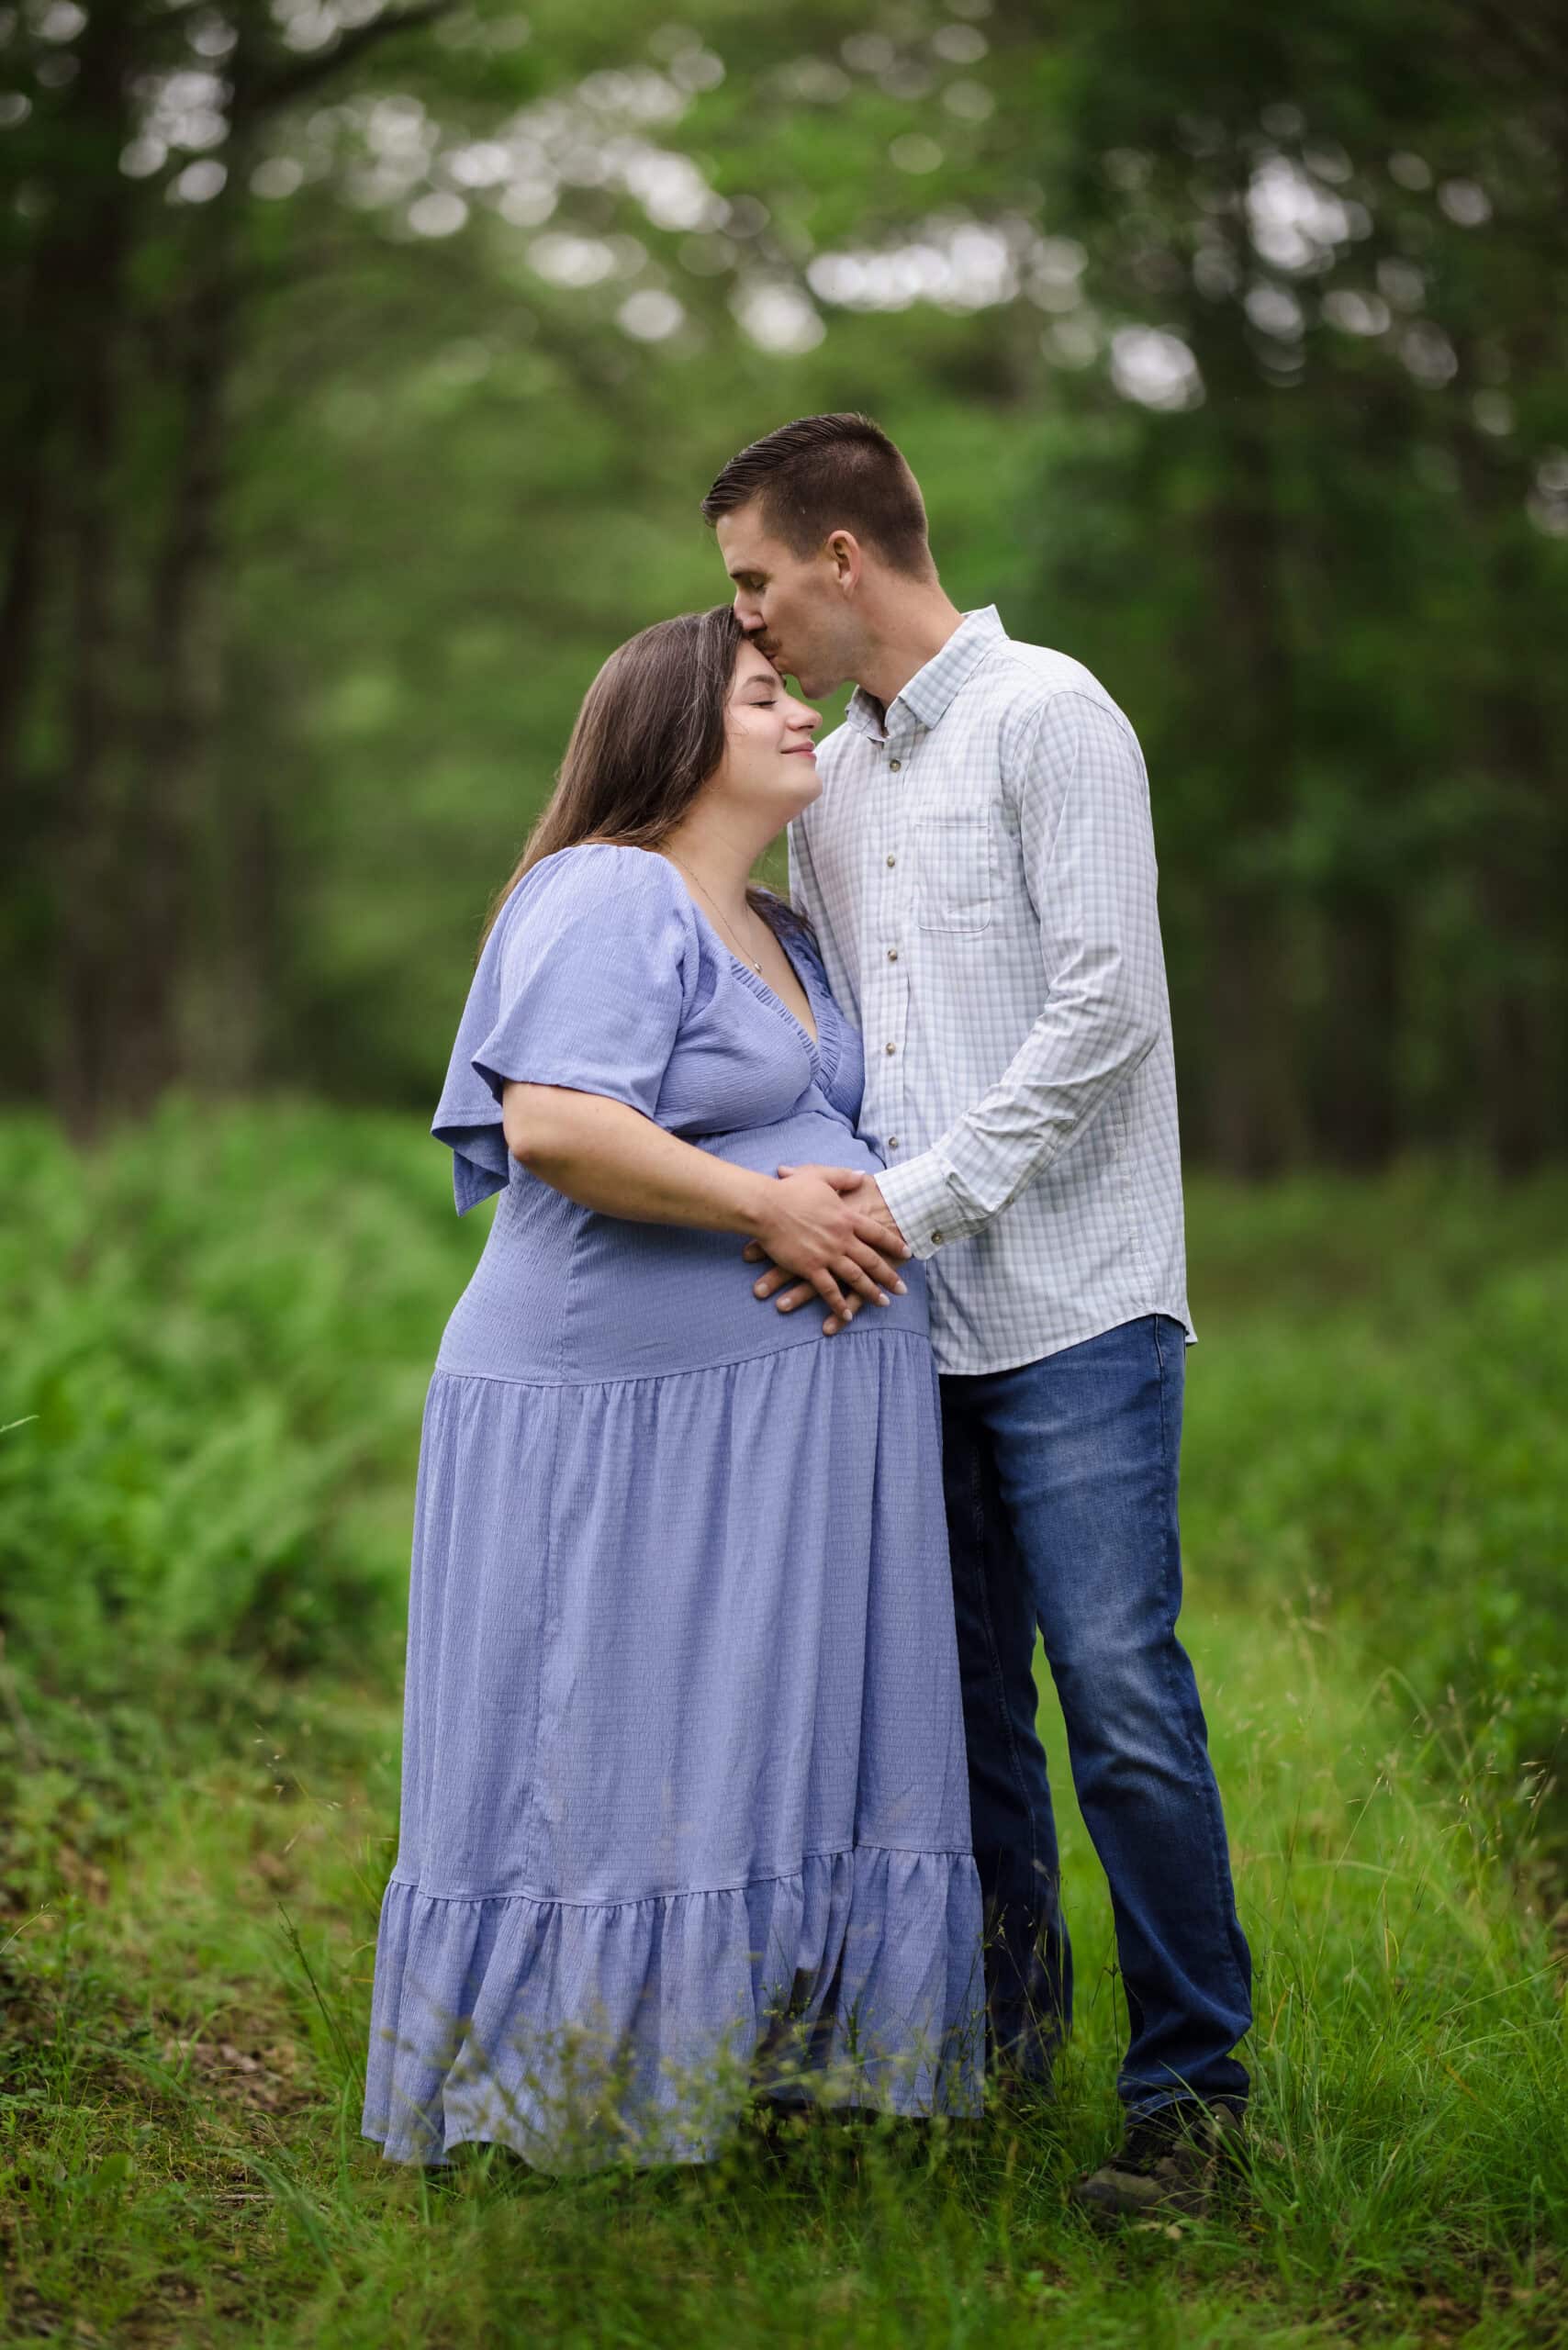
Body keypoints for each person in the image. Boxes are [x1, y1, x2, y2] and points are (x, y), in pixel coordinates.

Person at [701, 413, 1253, 2221]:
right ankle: (1002, 2064)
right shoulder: (836, 779)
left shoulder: (1050, 717)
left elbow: (1105, 1013)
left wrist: (911, 1202)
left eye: (756, 581)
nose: (746, 620)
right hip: (900, 1328)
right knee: (959, 1723)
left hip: (1075, 1304)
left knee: (1116, 1696)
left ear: (841, 556)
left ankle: (1194, 2103)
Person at [362, 605, 983, 2170]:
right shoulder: (610, 890)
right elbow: (558, 1124)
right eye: (765, 696)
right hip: (612, 1419)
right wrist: (775, 1210)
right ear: (673, 732)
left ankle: (733, 2073)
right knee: (606, 1745)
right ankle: (555, 2091)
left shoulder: (784, 925)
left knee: (735, 1744)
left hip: (758, 1435)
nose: (803, 714)